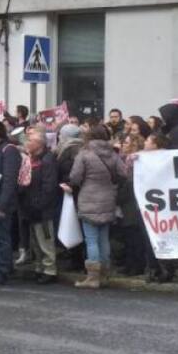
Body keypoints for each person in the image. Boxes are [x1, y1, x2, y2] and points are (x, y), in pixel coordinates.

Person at [67, 123, 129, 289]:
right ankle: (105, 273)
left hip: (89, 198)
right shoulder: (113, 154)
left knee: (91, 240)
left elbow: (75, 177)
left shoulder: (84, 153)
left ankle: (93, 277)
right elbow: (123, 173)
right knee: (104, 238)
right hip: (109, 197)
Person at [19, 130, 60, 284]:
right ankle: (39, 267)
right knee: (35, 241)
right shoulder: (31, 159)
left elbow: (49, 186)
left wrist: (39, 203)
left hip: (42, 209)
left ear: (39, 144)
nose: (27, 143)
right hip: (31, 207)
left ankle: (50, 270)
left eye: (30, 140)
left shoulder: (48, 160)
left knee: (45, 241)